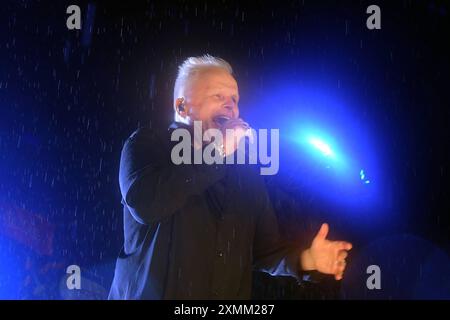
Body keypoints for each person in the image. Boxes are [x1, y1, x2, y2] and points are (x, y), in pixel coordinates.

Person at [108, 54, 352, 299]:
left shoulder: (245, 172)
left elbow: (265, 252)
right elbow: (145, 203)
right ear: (182, 106)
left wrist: (307, 258)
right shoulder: (147, 143)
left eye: (234, 99)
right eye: (218, 96)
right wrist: (219, 151)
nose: (231, 106)